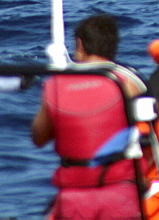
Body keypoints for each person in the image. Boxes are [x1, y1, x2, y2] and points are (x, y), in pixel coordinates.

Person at [32, 13, 146, 219]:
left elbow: (38, 138)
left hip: (73, 197)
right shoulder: (130, 83)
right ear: (114, 45)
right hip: (121, 194)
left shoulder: (55, 86)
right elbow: (155, 129)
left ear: (79, 44)